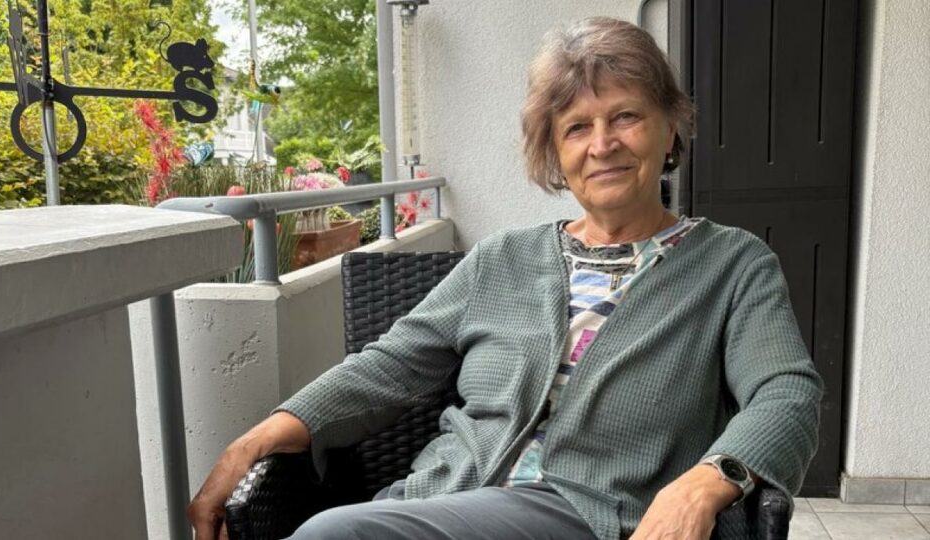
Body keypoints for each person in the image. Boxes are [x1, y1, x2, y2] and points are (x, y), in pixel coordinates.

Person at [188, 17, 823, 540]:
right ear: (555, 153)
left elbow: (786, 390)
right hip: (445, 498)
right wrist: (259, 437)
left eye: (625, 116)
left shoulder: (731, 264)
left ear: (669, 128)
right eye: (577, 127)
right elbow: (391, 365)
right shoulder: (501, 260)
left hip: (597, 515)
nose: (602, 143)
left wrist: (709, 480)